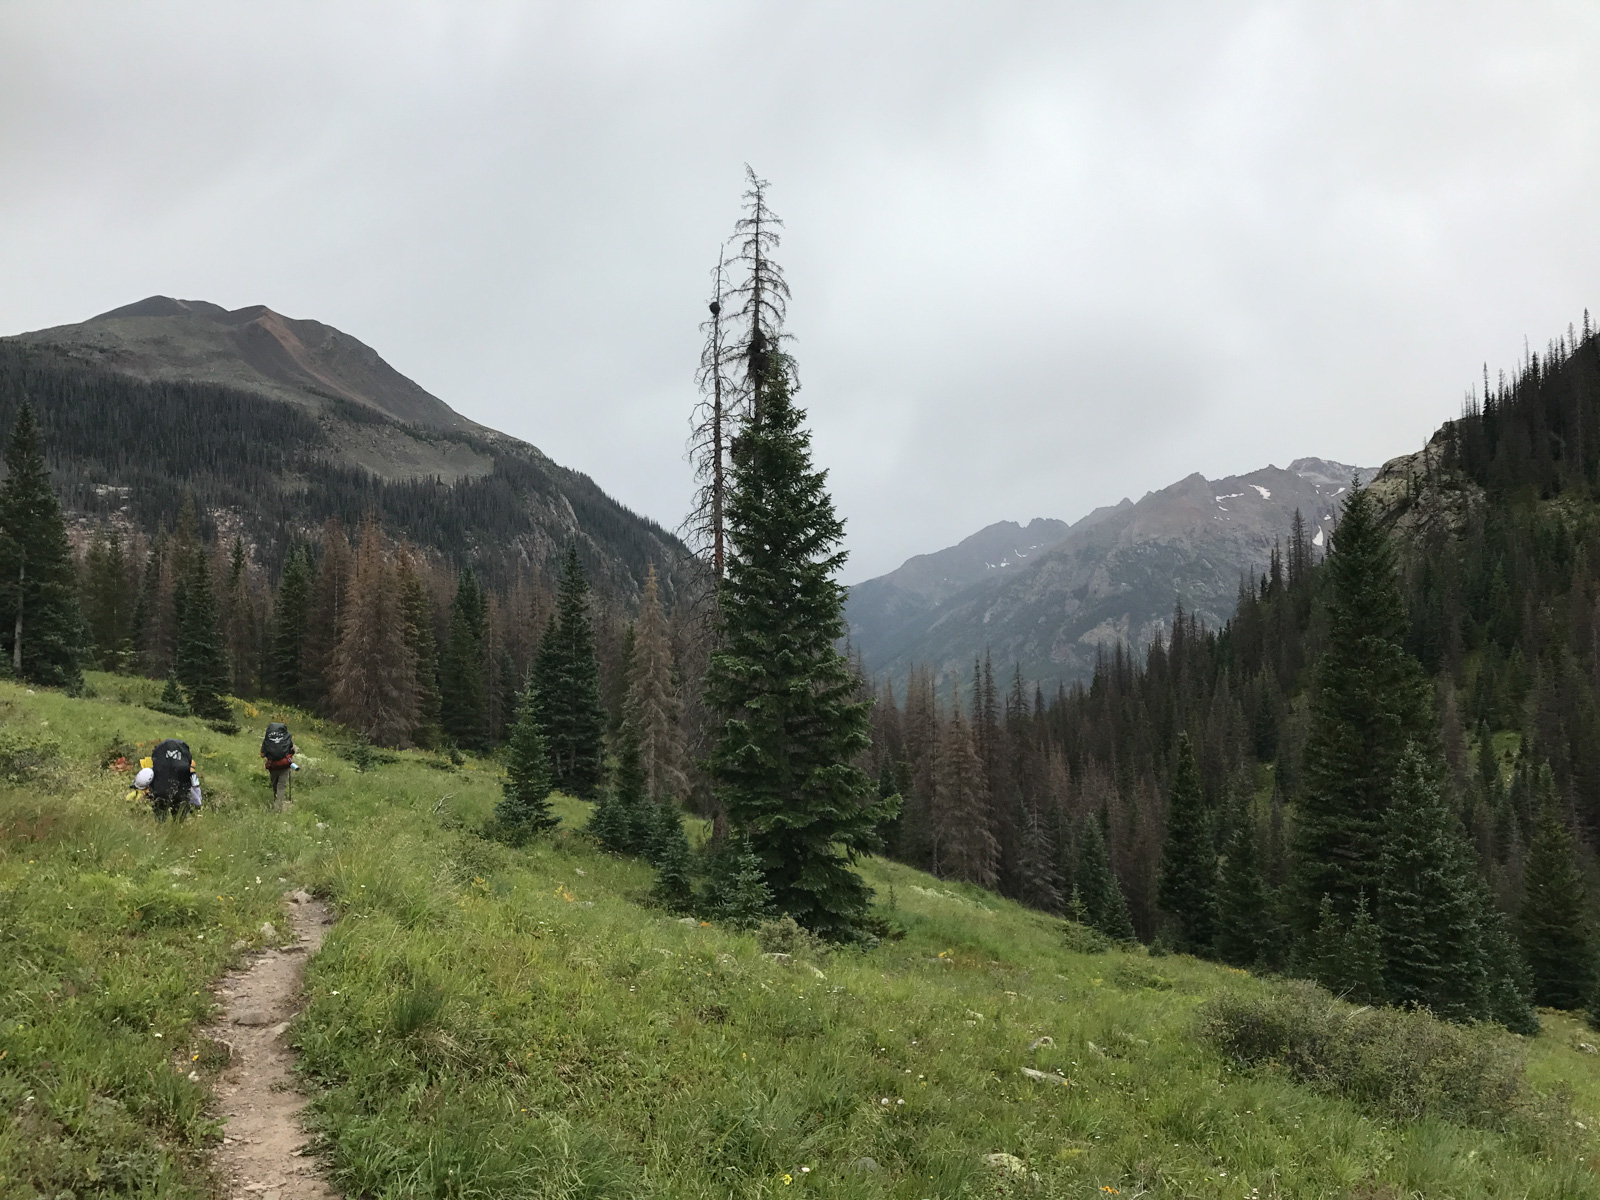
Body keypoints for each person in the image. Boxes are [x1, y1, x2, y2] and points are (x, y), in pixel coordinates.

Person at [149, 738, 201, 822]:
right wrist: (198, 803)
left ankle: (160, 826)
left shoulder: (158, 764)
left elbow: (146, 778)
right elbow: (195, 786)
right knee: (179, 819)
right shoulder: (188, 769)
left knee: (160, 818)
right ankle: (178, 828)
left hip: (160, 792)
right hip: (180, 795)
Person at [260, 722, 296, 811]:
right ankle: (278, 807)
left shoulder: (267, 739)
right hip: (284, 765)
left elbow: (262, 754)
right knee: (281, 786)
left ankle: (276, 802)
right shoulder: (287, 738)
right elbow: (292, 750)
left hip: (273, 765)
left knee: (275, 785)